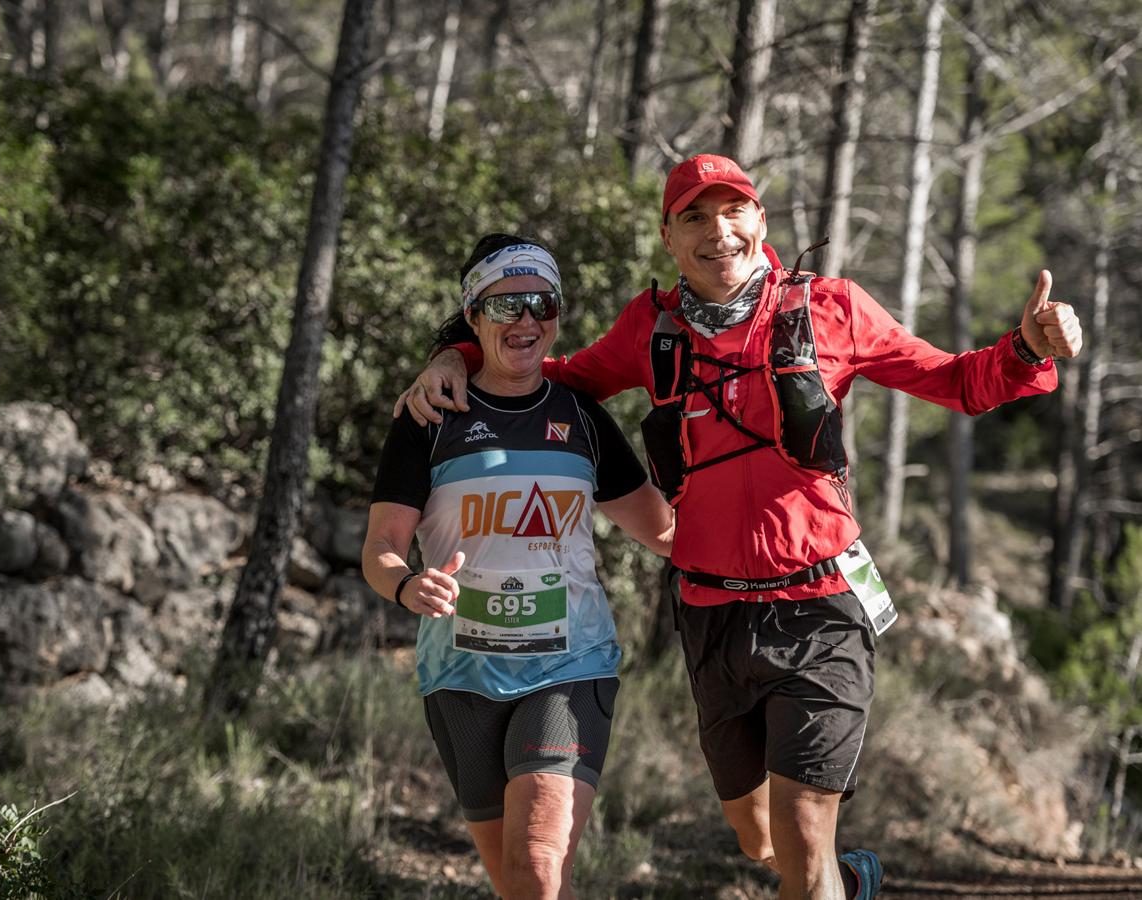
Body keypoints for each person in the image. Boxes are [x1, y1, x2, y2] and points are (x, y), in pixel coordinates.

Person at [395, 156, 1083, 900]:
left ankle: (818, 874)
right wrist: (458, 353)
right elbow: (545, 375)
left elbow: (955, 381)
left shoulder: (833, 310)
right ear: (669, 237)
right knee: (758, 835)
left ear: (760, 222)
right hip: (714, 614)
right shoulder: (648, 330)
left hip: (821, 604)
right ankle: (836, 885)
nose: (718, 231)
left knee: (801, 823)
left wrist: (1026, 351)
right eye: (694, 216)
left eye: (733, 211)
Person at [363, 233, 675, 900]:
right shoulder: (430, 418)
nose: (527, 321)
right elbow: (381, 547)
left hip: (570, 667)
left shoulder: (581, 417)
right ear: (473, 317)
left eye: (542, 304)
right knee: (517, 883)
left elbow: (668, 533)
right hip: (458, 676)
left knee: (537, 863)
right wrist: (407, 583)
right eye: (506, 307)